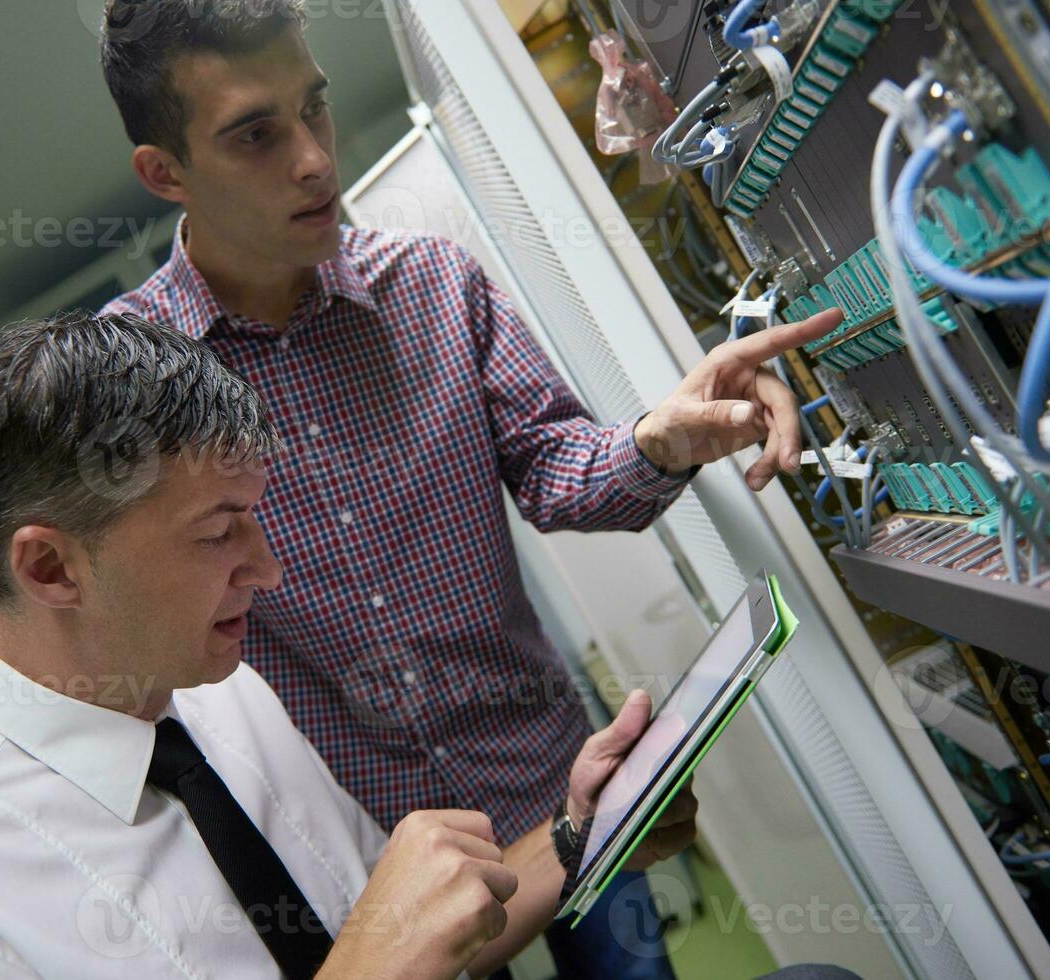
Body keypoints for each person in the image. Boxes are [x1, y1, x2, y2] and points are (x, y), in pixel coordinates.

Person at [97, 1, 843, 974]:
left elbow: (553, 470)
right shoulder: (127, 383)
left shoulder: (437, 287)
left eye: (313, 110)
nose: (314, 158)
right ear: (165, 172)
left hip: (551, 790)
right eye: (254, 134)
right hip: (367, 865)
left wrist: (661, 437)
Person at [0, 312, 700, 979]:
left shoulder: (222, 692)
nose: (265, 571)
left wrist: (587, 834)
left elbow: (416, 940)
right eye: (219, 532)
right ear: (52, 568)